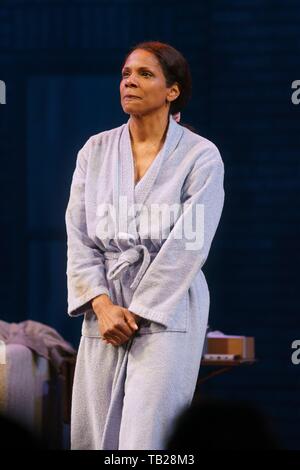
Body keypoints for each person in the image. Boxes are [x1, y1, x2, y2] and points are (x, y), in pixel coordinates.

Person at [65, 41, 225, 450]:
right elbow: (79, 237)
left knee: (146, 433)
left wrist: (136, 314)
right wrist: (102, 306)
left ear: (172, 91)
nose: (130, 82)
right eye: (125, 74)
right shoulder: (95, 151)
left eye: (144, 74)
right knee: (95, 429)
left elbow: (190, 244)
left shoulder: (200, 156)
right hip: (104, 307)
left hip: (165, 307)